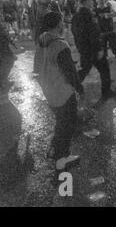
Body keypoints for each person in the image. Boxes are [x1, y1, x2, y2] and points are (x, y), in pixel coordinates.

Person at [38, 12, 82, 171]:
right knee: (68, 125)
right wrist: (80, 90)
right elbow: (70, 73)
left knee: (61, 121)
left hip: (49, 89)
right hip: (62, 92)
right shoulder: (60, 45)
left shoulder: (43, 39)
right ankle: (61, 159)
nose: (63, 24)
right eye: (62, 22)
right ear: (58, 24)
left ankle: (55, 147)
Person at [71, 0, 116, 101]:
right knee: (104, 69)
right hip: (93, 49)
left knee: (84, 69)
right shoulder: (89, 15)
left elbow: (75, 33)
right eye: (91, 1)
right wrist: (99, 49)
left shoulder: (76, 16)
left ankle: (71, 87)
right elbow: (94, 34)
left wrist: (80, 47)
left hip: (84, 49)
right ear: (86, 2)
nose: (92, 3)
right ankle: (106, 92)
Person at [0, 0, 16, 89]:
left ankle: (2, 80)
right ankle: (1, 80)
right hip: (0, 42)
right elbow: (0, 29)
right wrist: (9, 39)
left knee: (1, 62)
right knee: (9, 60)